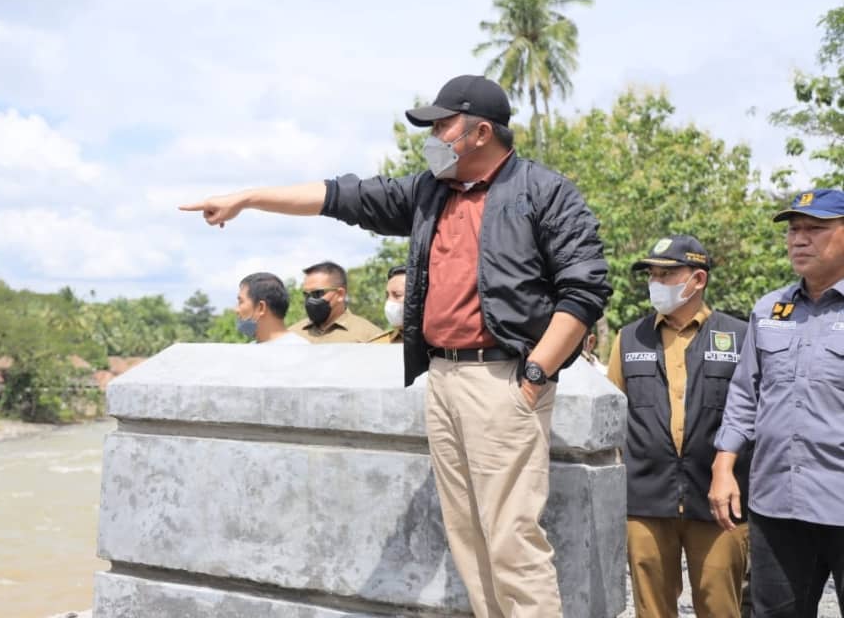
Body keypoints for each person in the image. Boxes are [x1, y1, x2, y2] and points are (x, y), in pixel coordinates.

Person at [181, 74, 612, 617]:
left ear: (481, 132)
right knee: (468, 536)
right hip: (444, 380)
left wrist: (534, 376)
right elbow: (340, 196)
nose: (431, 136)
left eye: (441, 125)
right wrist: (248, 197)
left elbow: (585, 288)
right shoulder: (429, 193)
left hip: (502, 380)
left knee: (511, 539)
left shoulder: (542, 191)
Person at [710, 189, 844, 617]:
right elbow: (745, 394)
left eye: (815, 229)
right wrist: (723, 464)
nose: (799, 240)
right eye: (793, 230)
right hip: (776, 504)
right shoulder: (771, 309)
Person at [607, 235, 750, 618]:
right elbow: (612, 419)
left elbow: (752, 414)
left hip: (718, 499)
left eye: (667, 274)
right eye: (652, 273)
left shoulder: (740, 336)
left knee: (720, 606)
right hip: (646, 501)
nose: (656, 282)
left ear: (698, 280)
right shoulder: (627, 339)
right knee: (651, 610)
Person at [287, 261, 380, 343]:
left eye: (317, 293)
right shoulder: (292, 335)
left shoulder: (369, 337)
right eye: (306, 295)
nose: (310, 300)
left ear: (340, 294)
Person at [236, 272, 309, 344]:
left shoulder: (298, 349)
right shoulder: (250, 348)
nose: (236, 310)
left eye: (241, 302)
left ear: (261, 307)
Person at [368, 265, 406, 344]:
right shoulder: (378, 345)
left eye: (397, 295)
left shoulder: (437, 343)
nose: (389, 301)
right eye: (387, 296)